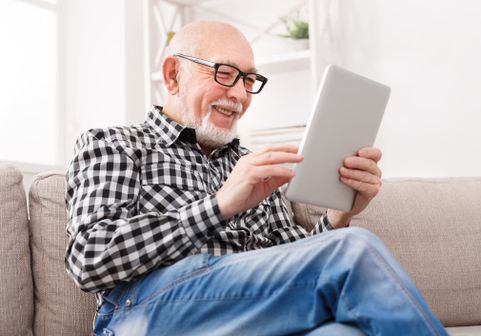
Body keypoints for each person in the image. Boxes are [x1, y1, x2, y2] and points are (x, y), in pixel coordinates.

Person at [65, 21, 448, 336]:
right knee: (354, 249)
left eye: (248, 80)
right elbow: (89, 258)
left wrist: (338, 216)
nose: (239, 95)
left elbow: (294, 261)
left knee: (342, 334)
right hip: (143, 313)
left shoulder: (254, 165)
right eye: (225, 74)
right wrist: (219, 206)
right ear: (173, 75)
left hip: (246, 313)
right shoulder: (114, 144)